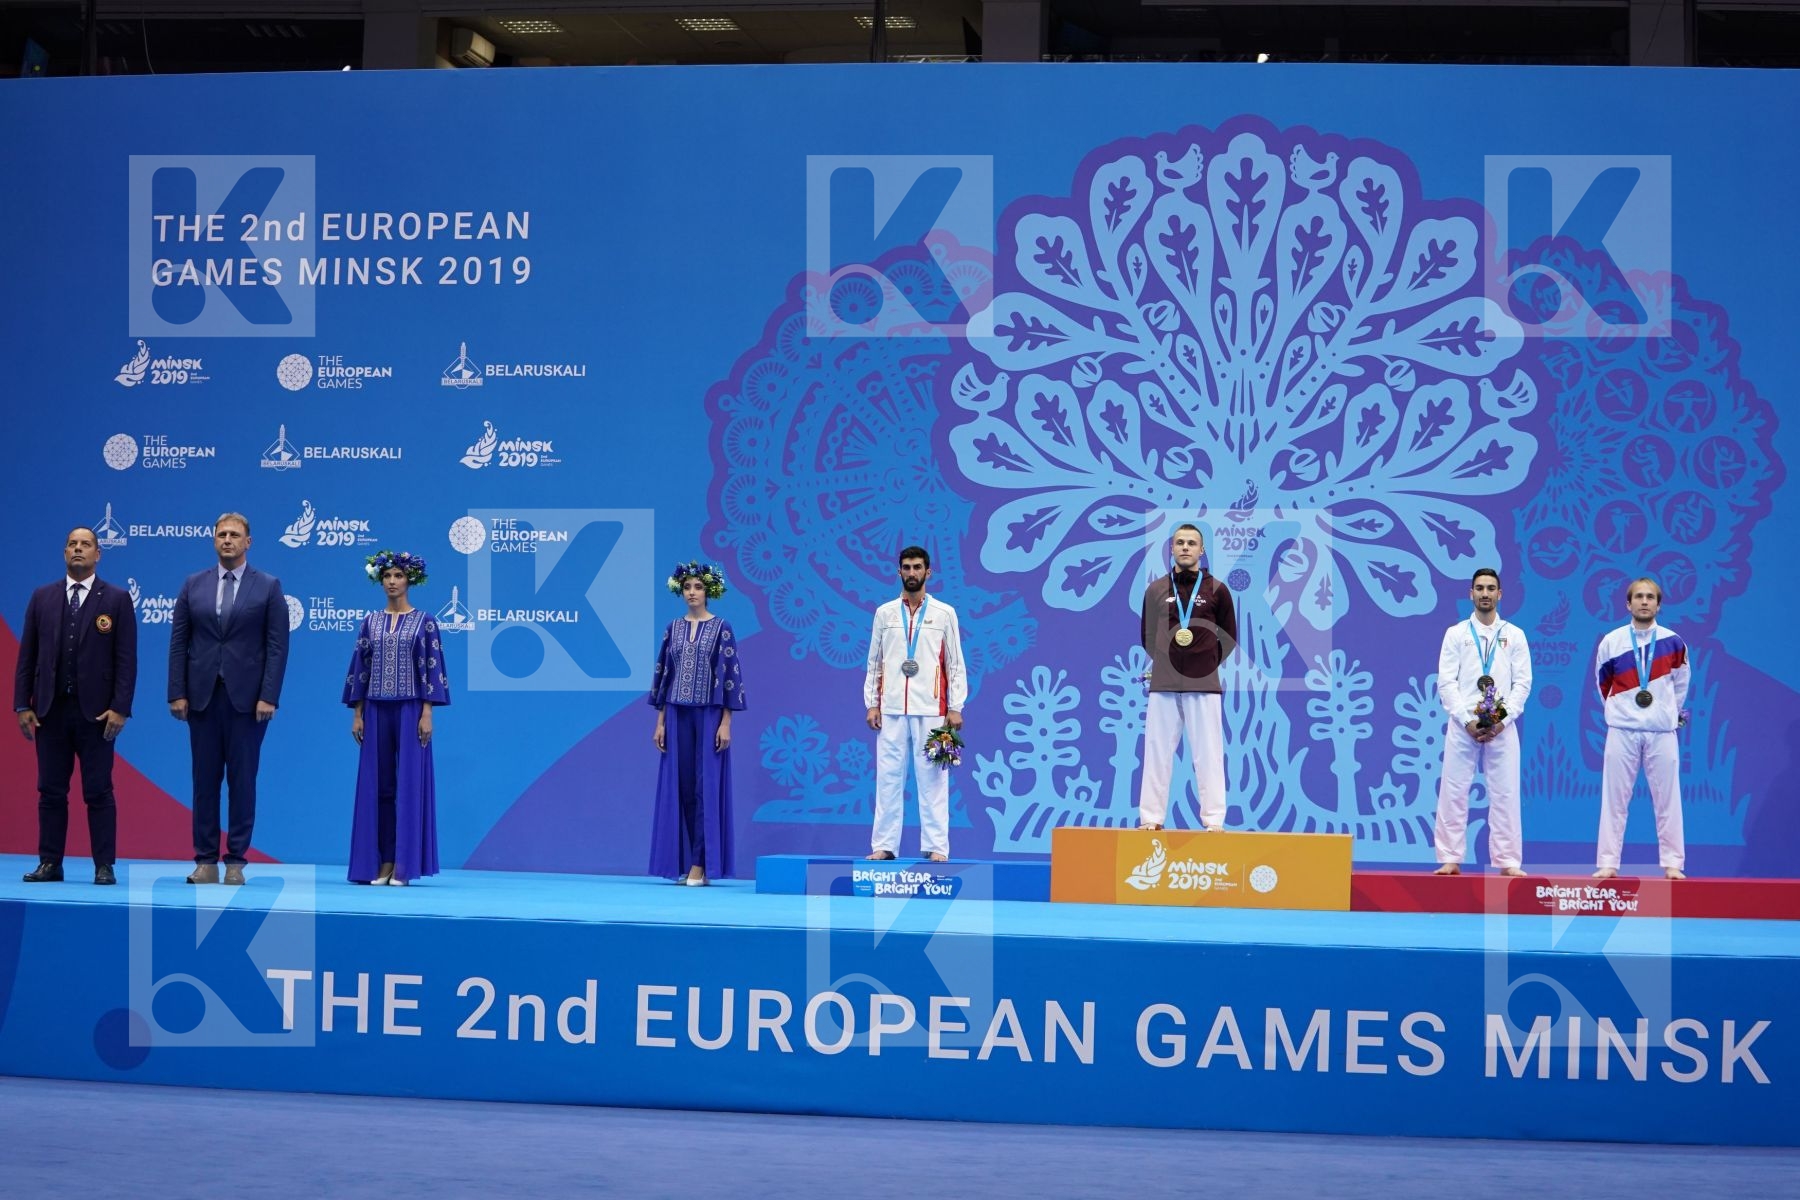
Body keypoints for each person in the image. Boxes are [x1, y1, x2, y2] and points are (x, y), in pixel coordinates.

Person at [168, 512, 289, 885]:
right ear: (213, 540)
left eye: (235, 535)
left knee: (242, 781)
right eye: (221, 534)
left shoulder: (268, 586)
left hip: (248, 702)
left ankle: (236, 860)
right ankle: (205, 860)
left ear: (248, 542)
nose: (227, 540)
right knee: (204, 782)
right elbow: (179, 642)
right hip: (202, 699)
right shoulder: (193, 585)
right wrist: (177, 692)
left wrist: (268, 695)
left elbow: (277, 646)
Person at [13, 526, 138, 884]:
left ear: (99, 554)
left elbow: (126, 660)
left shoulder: (115, 599)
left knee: (98, 790)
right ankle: (50, 862)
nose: (78, 549)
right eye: (72, 544)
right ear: (64, 553)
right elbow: (27, 656)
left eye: (86, 544)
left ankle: (104, 865)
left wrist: (120, 707)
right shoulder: (42, 598)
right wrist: (23, 703)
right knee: (50, 790)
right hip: (50, 712)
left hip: (97, 715)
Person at [343, 551, 450, 886]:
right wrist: (358, 712)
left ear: (410, 581)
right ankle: (381, 862)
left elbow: (433, 666)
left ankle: (404, 866)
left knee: (408, 786)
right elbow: (360, 668)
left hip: (410, 709)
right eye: (387, 576)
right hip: (375, 709)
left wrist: (427, 712)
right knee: (379, 786)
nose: (392, 582)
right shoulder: (370, 622)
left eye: (398, 576)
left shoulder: (425, 621)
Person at [864, 546, 967, 862]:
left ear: (928, 572)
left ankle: (937, 847)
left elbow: (955, 662)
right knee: (888, 778)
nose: (912, 573)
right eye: (906, 567)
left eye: (917, 567)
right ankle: (884, 846)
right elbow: (874, 662)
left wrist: (956, 705)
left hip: (932, 709)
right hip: (892, 708)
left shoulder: (944, 613)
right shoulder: (884, 613)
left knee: (934, 779)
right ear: (898, 572)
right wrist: (872, 702)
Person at [648, 560, 745, 885]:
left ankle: (700, 865)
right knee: (682, 787)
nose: (692, 592)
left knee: (706, 787)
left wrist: (726, 722)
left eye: (698, 587)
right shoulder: (672, 628)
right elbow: (664, 675)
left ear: (709, 591)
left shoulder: (722, 628)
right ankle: (687, 861)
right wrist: (661, 722)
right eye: (688, 587)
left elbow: (730, 676)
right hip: (676, 713)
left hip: (708, 714)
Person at [1432, 568, 1533, 876]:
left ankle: (1508, 861)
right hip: (1463, 726)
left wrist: (1500, 720)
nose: (1485, 593)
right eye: (1480, 588)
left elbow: (1523, 683)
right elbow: (1446, 682)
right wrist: (1467, 720)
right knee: (1453, 789)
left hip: (1502, 727)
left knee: (1505, 793)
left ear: (1500, 594)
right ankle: (1450, 858)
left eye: (1491, 588)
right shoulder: (1456, 633)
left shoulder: (1514, 635)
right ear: (1471, 594)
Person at [1138, 523, 1237, 831]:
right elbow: (1147, 634)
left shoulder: (1218, 590)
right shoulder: (1156, 589)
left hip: (1204, 685)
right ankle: (1151, 820)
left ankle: (1214, 821)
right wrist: (1168, 662)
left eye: (1191, 543)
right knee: (1156, 753)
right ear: (1171, 548)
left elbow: (1229, 636)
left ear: (1201, 550)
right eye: (1179, 542)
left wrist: (1206, 663)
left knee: (1209, 754)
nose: (1185, 547)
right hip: (1164, 683)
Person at [1594, 577, 1691, 881]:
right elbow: (1603, 685)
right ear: (1628, 603)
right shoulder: (1611, 641)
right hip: (1622, 729)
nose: (1644, 601)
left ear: (1659, 605)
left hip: (1661, 732)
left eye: (1650, 597)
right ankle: (1608, 863)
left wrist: (1664, 713)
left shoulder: (1674, 642)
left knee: (1668, 799)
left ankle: (1673, 863)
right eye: (1639, 597)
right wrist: (1622, 710)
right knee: (1613, 799)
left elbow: (1681, 686)